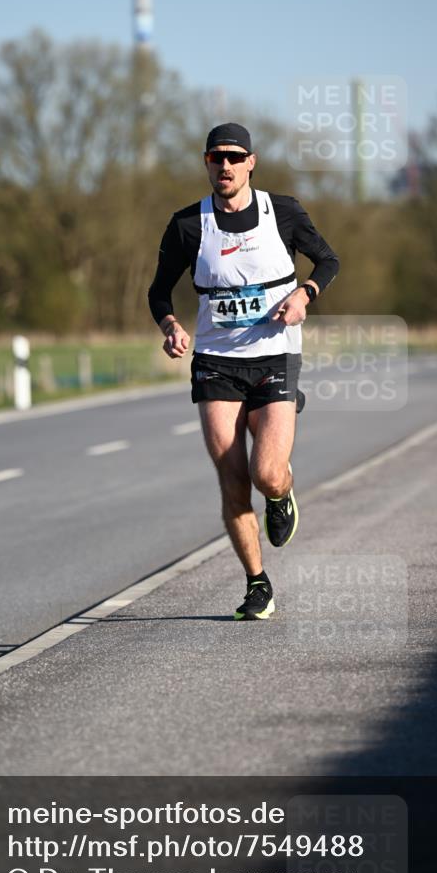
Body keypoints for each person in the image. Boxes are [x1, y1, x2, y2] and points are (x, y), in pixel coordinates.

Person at [148, 123, 339, 620]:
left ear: (251, 162)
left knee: (265, 473)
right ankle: (257, 583)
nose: (226, 165)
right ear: (207, 163)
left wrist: (305, 294)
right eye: (216, 158)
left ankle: (281, 493)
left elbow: (327, 260)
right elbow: (158, 292)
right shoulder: (188, 225)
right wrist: (170, 325)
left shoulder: (284, 212)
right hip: (216, 362)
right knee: (233, 480)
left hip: (275, 356)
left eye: (235, 157)